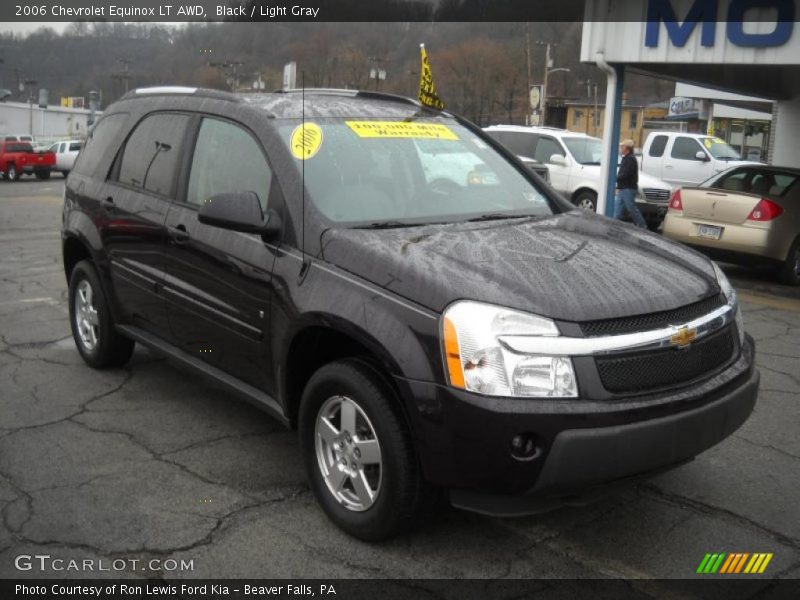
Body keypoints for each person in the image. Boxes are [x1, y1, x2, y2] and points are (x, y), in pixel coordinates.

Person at [614, 139, 647, 229]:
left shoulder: (630, 159)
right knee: (617, 209)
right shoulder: (627, 158)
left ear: (627, 148)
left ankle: (642, 226)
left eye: (622, 146)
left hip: (628, 188)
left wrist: (616, 178)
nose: (621, 148)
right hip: (623, 188)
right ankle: (612, 224)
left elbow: (625, 174)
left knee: (631, 208)